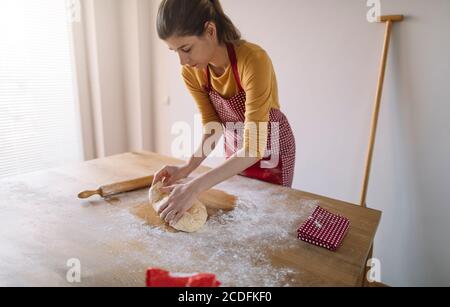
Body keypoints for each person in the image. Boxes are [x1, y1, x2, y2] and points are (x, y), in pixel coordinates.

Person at [153, 0, 296, 226]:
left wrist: (194, 187)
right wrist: (187, 168)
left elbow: (253, 148)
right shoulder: (193, 72)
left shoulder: (253, 60)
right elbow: (214, 125)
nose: (183, 61)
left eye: (186, 49)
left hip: (270, 150)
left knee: (267, 222)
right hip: (237, 148)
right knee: (240, 215)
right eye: (175, 52)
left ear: (210, 30)